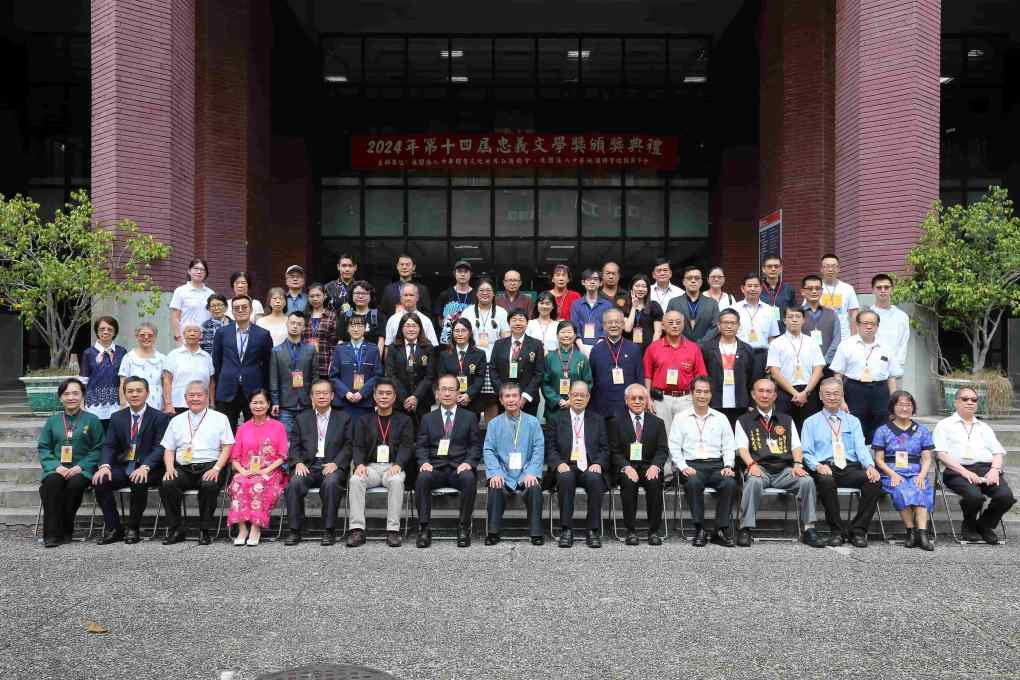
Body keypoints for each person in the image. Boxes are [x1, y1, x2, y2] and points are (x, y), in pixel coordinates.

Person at [734, 378, 821, 548]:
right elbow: (741, 448)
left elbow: (796, 446)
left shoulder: (786, 419)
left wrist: (797, 464)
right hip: (759, 468)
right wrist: (751, 465)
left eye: (769, 392)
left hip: (784, 470)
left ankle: (809, 529)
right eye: (761, 391)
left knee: (807, 481)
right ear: (753, 394)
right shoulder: (743, 420)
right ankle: (745, 528)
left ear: (775, 396)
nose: (764, 395)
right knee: (753, 482)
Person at [800, 378, 882, 547]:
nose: (832, 397)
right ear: (820, 396)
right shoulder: (810, 422)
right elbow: (806, 453)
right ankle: (836, 530)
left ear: (842, 395)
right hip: (825, 467)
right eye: (828, 394)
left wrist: (870, 466)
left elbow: (861, 448)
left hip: (849, 467)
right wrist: (817, 466)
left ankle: (858, 530)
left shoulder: (853, 421)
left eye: (836, 393)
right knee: (826, 481)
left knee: (874, 481)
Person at [92, 376, 171, 545]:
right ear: (125, 394)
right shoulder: (117, 417)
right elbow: (109, 445)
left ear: (147, 393)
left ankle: (133, 528)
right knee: (100, 480)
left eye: (139, 391)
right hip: (124, 465)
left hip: (149, 468)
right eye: (130, 391)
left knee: (139, 480)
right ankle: (114, 528)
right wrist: (104, 465)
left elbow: (160, 447)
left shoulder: (160, 417)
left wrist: (145, 466)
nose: (134, 394)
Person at [933, 386, 1016, 544]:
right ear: (956, 402)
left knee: (1005, 497)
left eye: (974, 399)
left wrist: (995, 470)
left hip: (986, 470)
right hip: (957, 471)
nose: (970, 402)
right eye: (965, 399)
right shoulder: (944, 425)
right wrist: (965, 472)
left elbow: (998, 452)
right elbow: (941, 454)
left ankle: (984, 525)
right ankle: (969, 525)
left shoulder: (984, 427)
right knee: (974, 497)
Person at [159, 381, 234, 545]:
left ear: (207, 397)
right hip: (183, 467)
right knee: (167, 483)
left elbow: (227, 446)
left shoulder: (220, 418)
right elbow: (169, 449)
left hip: (210, 465)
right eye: (191, 395)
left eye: (199, 395)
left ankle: (204, 530)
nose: (195, 398)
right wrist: (169, 468)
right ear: (185, 398)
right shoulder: (176, 420)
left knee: (209, 485)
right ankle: (175, 529)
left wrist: (217, 468)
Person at [414, 374, 483, 548]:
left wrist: (468, 462)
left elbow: (475, 445)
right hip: (435, 468)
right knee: (422, 477)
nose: (447, 393)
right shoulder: (427, 418)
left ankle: (463, 527)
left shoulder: (469, 417)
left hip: (459, 468)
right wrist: (424, 462)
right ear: (436, 394)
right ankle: (424, 528)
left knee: (469, 477)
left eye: (451, 389)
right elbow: (421, 446)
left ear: (458, 393)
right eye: (443, 389)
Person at [668, 376, 737, 547]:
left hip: (716, 465)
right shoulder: (681, 418)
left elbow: (729, 445)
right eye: (698, 391)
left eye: (706, 392)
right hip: (692, 465)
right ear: (691, 393)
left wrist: (728, 465)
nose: (702, 396)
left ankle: (720, 529)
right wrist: (683, 466)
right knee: (693, 483)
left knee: (729, 483)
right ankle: (699, 529)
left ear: (711, 395)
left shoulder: (721, 418)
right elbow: (674, 447)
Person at [283, 379, 353, 546]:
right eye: (318, 393)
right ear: (311, 396)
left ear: (332, 396)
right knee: (294, 483)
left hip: (332, 465)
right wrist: (298, 462)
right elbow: (294, 445)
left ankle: (329, 530)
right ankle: (295, 530)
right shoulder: (302, 418)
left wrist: (336, 463)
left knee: (331, 483)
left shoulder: (344, 418)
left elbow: (349, 445)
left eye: (325, 393)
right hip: (308, 465)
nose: (322, 396)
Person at [36, 378, 104, 547]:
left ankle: (65, 529)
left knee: (74, 484)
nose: (71, 397)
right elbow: (44, 448)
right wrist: (56, 466)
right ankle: (52, 535)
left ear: (82, 396)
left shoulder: (92, 420)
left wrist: (81, 466)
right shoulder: (53, 421)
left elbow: (99, 448)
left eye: (75, 393)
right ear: (60, 397)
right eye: (66, 394)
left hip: (82, 470)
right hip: (57, 468)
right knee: (51, 484)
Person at [348, 379, 413, 547]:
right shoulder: (364, 420)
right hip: (371, 467)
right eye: (380, 393)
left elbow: (407, 446)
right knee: (355, 480)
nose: (384, 397)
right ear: (374, 396)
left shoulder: (404, 420)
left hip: (393, 466)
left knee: (397, 481)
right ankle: (357, 530)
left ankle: (393, 531)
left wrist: (398, 464)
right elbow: (357, 446)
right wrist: (359, 464)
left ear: (395, 397)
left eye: (388, 393)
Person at [544, 381, 609, 548]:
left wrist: (599, 463)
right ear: (569, 396)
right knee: (565, 478)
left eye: (582, 395)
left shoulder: (598, 420)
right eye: (575, 395)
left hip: (589, 466)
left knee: (595, 479)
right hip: (566, 465)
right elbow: (550, 447)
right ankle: (566, 529)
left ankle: (592, 530)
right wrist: (558, 464)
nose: (579, 398)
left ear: (588, 397)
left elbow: (605, 448)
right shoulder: (556, 419)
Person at [483, 382, 545, 545]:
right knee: (495, 485)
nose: (511, 400)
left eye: (514, 396)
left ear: (520, 399)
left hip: (526, 472)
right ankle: (493, 532)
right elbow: (488, 450)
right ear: (501, 400)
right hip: (503, 472)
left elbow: (539, 449)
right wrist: (495, 472)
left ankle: (536, 532)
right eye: (507, 396)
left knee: (534, 487)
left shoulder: (533, 422)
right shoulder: (494, 424)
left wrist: (532, 472)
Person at [871, 390, 935, 550]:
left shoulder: (922, 430)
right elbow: (878, 459)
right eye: (900, 405)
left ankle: (922, 534)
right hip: (891, 473)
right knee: (901, 490)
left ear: (913, 407)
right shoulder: (883, 430)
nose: (905, 408)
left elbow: (927, 458)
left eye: (908, 405)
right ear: (892, 407)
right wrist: (892, 474)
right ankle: (910, 531)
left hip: (915, 472)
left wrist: (922, 475)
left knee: (919, 489)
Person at [226, 389, 289, 547]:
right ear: (249, 405)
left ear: (268, 405)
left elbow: (282, 456)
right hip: (247, 470)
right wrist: (243, 471)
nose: (258, 406)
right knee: (237, 482)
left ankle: (255, 527)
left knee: (259, 483)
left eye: (261, 402)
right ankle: (242, 529)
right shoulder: (243, 428)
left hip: (271, 471)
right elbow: (234, 458)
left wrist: (265, 470)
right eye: (255, 402)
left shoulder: (278, 426)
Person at [609, 384, 668, 545]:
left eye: (641, 398)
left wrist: (656, 466)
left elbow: (662, 450)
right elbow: (614, 451)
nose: (637, 401)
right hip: (627, 467)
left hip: (649, 466)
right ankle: (630, 531)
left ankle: (654, 531)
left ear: (646, 400)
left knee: (654, 482)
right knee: (628, 482)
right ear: (626, 400)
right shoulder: (616, 422)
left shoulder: (658, 423)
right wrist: (626, 467)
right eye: (633, 398)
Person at [830, 309, 900, 443]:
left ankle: (877, 454)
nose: (869, 327)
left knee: (880, 427)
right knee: (855, 426)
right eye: (865, 323)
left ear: (877, 326)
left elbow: (892, 377)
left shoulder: (886, 346)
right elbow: (838, 375)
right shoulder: (846, 345)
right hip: (854, 390)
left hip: (880, 391)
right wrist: (841, 400)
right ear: (857, 325)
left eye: (873, 324)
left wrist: (894, 401)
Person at [212, 295, 274, 431]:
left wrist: (264, 390)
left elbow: (267, 365)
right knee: (225, 431)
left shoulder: (263, 334)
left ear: (251, 310)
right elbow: (217, 362)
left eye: (244, 307)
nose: (240, 310)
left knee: (255, 430)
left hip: (253, 389)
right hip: (227, 389)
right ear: (232, 311)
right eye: (237, 308)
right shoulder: (222, 333)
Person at [643, 309, 707, 434]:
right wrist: (648, 399)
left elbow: (701, 375)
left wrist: (697, 399)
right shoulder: (653, 347)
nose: (675, 325)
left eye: (678, 322)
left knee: (686, 434)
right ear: (663, 325)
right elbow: (647, 375)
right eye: (671, 322)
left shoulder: (693, 348)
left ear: (683, 325)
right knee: (662, 436)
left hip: (686, 399)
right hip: (661, 400)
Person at [766, 307, 825, 431]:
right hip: (785, 392)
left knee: (810, 430)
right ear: (784, 320)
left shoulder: (812, 342)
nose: (794, 320)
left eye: (798, 317)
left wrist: (805, 392)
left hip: (809, 391)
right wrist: (795, 393)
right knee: (784, 430)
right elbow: (774, 372)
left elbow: (818, 369)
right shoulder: (776, 343)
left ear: (804, 320)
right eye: (790, 317)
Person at [460, 277, 510, 422]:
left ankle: (490, 432)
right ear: (476, 293)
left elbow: (506, 337)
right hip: (472, 360)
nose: (485, 293)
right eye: (481, 290)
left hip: (493, 362)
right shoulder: (468, 312)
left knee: (491, 400)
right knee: (471, 398)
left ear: (494, 293)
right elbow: (462, 335)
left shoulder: (501, 312)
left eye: (488, 290)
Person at [699, 308, 754, 427]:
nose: (729, 326)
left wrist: (751, 403)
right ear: (719, 325)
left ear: (738, 325)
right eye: (725, 323)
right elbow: (703, 375)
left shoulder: (747, 349)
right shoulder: (707, 348)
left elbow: (751, 378)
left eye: (733, 323)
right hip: (714, 402)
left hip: (740, 404)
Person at [588, 308, 643, 419]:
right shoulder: (596, 350)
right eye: (610, 322)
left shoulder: (634, 349)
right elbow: (591, 381)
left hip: (628, 408)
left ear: (623, 324)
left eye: (617, 322)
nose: (614, 325)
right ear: (604, 326)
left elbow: (639, 378)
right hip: (601, 409)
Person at [269, 312, 317, 436]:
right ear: (287, 324)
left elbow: (314, 377)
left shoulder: (311, 349)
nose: (295, 326)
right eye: (292, 323)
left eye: (299, 324)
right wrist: (275, 401)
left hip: (306, 402)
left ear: (304, 328)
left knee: (307, 437)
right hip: (285, 404)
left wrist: (314, 398)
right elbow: (274, 379)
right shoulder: (276, 351)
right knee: (286, 439)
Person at [490, 309, 545, 417]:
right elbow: (493, 370)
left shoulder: (536, 344)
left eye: (521, 320)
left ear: (527, 323)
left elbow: (539, 373)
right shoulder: (499, 344)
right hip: (504, 401)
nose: (518, 323)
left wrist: (525, 397)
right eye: (514, 320)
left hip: (528, 401)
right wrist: (504, 394)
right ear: (509, 323)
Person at [385, 313, 436, 425]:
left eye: (414, 326)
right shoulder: (393, 347)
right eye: (407, 326)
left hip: (422, 400)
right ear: (401, 328)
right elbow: (390, 374)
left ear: (420, 328)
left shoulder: (428, 347)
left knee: (422, 431)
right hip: (399, 400)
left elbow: (430, 376)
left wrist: (415, 397)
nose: (411, 329)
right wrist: (405, 398)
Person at [329, 314, 382, 421]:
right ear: (348, 329)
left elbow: (378, 375)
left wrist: (362, 393)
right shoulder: (340, 349)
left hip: (365, 402)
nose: (356, 329)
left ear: (365, 328)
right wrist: (346, 393)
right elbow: (333, 376)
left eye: (360, 326)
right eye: (352, 326)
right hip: (343, 402)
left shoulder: (373, 349)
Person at [733, 273, 781, 382]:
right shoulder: (734, 309)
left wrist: (772, 360)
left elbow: (772, 338)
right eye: (749, 286)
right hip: (739, 355)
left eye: (756, 286)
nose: (753, 289)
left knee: (759, 387)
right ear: (742, 289)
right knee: (740, 387)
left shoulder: (769, 310)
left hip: (761, 356)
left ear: (761, 288)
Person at [80, 316, 127, 426]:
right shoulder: (88, 353)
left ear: (115, 332)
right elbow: (83, 381)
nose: (105, 332)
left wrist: (124, 403)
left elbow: (125, 379)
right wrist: (81, 404)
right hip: (94, 404)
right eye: (102, 329)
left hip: (117, 404)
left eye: (110, 329)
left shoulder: (121, 352)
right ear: (97, 331)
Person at [163, 321, 215, 415]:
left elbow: (211, 383)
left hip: (202, 404)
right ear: (183, 334)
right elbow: (167, 381)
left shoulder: (207, 357)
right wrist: (168, 404)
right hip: (178, 404)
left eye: (195, 331)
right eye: (189, 331)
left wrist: (212, 403)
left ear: (201, 335)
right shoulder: (173, 355)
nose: (192, 334)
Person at [436, 317, 487, 416]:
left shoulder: (479, 354)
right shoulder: (444, 355)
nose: (460, 334)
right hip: (450, 400)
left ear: (470, 333)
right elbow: (442, 377)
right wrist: (455, 394)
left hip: (472, 401)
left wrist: (468, 395)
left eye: (463, 330)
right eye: (456, 331)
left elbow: (480, 378)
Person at [541, 321, 593, 413]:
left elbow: (588, 383)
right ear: (557, 335)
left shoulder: (582, 358)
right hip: (554, 409)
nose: (566, 335)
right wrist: (558, 400)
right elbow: (544, 383)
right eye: (563, 332)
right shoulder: (549, 357)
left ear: (575, 335)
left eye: (569, 332)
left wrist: (572, 400)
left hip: (577, 406)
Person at [870, 273, 909, 388]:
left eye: (886, 287)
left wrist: (897, 366)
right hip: (871, 370)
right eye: (879, 287)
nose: (883, 290)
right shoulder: (867, 315)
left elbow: (903, 343)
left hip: (894, 371)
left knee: (895, 399)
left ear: (892, 289)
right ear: (873, 290)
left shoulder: (902, 316)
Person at [118, 322, 168, 411]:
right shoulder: (128, 357)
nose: (146, 337)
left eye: (150, 335)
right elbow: (123, 383)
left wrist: (167, 404)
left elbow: (166, 383)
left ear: (155, 337)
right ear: (136, 336)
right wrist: (122, 405)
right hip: (133, 401)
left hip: (157, 402)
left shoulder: (162, 358)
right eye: (142, 335)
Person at [667, 265, 720, 342]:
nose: (693, 281)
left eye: (697, 278)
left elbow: (715, 327)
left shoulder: (712, 304)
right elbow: (668, 325)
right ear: (684, 282)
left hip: (705, 346)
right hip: (680, 345)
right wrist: (686, 344)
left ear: (701, 282)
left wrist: (701, 343)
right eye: (689, 278)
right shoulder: (674, 303)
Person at [800, 274, 842, 369]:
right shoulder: (796, 314)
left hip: (828, 365)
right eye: (810, 288)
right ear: (802, 292)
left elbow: (837, 340)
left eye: (818, 288)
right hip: (804, 366)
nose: (814, 291)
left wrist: (824, 362)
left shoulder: (832, 314)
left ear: (822, 291)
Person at [169, 258, 214, 345]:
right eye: (196, 268)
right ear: (189, 271)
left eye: (202, 270)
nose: (199, 272)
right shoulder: (180, 291)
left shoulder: (211, 293)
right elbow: (175, 318)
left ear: (206, 273)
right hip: (186, 339)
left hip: (206, 340)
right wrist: (178, 338)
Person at [569, 268, 613, 352]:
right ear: (583, 282)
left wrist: (598, 347)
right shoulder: (576, 304)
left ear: (600, 283)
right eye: (589, 279)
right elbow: (574, 327)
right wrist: (582, 348)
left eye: (595, 279)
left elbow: (608, 327)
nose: (592, 282)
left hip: (602, 346)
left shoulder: (607, 305)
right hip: (580, 347)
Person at [435, 259, 476, 345]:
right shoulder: (445, 295)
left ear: (470, 274)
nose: (462, 274)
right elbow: (440, 321)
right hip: (449, 342)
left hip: (472, 340)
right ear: (454, 274)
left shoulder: (477, 295)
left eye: (466, 271)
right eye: (459, 271)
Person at [302, 282, 339, 377]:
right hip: (305, 364)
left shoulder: (331, 316)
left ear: (325, 296)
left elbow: (334, 344)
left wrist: (333, 363)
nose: (315, 299)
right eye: (312, 296)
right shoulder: (303, 316)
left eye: (318, 295)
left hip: (325, 363)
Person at [338, 280, 385, 356]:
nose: (360, 296)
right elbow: (341, 341)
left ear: (370, 296)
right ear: (352, 295)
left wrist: (377, 359)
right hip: (349, 358)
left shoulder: (376, 315)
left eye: (364, 293)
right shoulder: (346, 315)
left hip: (370, 358)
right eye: (357, 293)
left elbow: (381, 340)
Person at [820, 253, 860, 340]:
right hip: (821, 337)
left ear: (838, 269)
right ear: (821, 269)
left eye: (834, 266)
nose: (830, 269)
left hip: (843, 337)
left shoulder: (848, 288)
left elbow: (854, 314)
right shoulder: (814, 288)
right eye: (827, 266)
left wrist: (854, 338)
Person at [385, 283, 439, 347]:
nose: (408, 298)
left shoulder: (426, 321)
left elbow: (433, 345)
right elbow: (387, 346)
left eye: (411, 295)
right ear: (401, 298)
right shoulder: (392, 320)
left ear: (417, 297)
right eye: (405, 295)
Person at [380, 254, 431, 319]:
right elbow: (383, 313)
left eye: (408, 265)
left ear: (413, 267)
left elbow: (427, 314)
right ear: (397, 267)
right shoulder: (389, 289)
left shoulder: (422, 289)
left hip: (415, 324)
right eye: (402, 264)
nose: (404, 267)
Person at [624, 274, 663, 349]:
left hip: (649, 348)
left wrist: (651, 349)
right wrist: (634, 307)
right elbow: (627, 329)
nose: (640, 289)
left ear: (648, 289)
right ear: (631, 288)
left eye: (644, 286)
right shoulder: (625, 306)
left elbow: (658, 332)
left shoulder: (654, 306)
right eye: (637, 286)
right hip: (629, 349)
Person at [759, 254, 797, 328]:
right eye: (769, 266)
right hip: (763, 330)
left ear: (781, 269)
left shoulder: (788, 289)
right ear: (763, 269)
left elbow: (794, 311)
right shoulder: (757, 289)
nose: (773, 269)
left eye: (776, 266)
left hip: (783, 331)